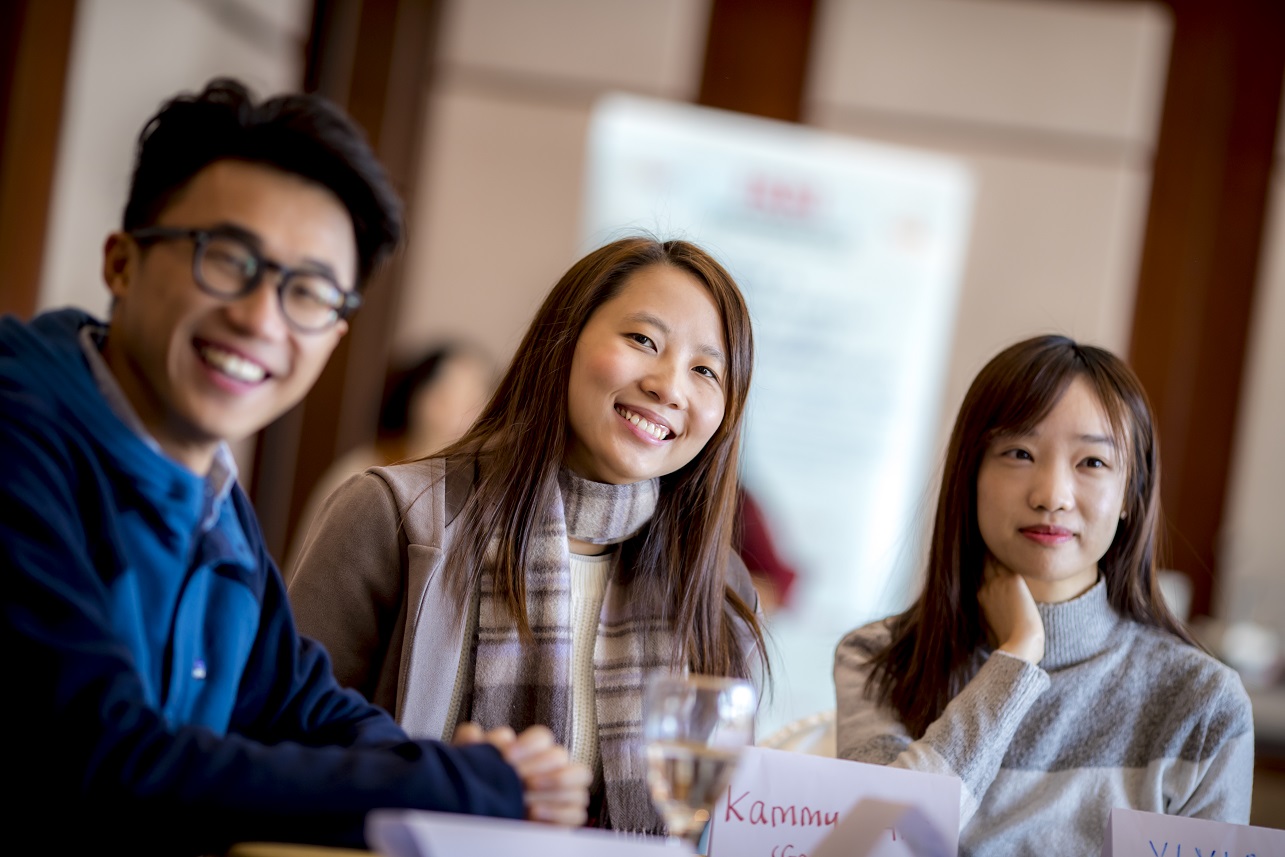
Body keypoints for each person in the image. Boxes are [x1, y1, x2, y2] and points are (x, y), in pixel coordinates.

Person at [0, 78, 588, 856]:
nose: (259, 318)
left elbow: (303, 710)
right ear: (121, 262)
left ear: (333, 336)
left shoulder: (211, 496)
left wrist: (469, 774)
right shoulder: (19, 439)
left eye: (307, 292)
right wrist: (461, 785)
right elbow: (109, 760)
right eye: (226, 259)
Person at [289, 236, 770, 835]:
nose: (669, 387)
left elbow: (724, 825)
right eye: (643, 340)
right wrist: (448, 782)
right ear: (563, 339)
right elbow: (285, 746)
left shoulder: (719, 589)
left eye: (705, 371)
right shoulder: (392, 514)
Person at [833, 335, 1254, 856]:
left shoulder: (1203, 703)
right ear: (970, 476)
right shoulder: (879, 659)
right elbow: (871, 847)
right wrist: (1016, 660)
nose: (1051, 496)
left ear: (1132, 493)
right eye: (1019, 453)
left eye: (1092, 462)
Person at [283, 343, 495, 579]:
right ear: (419, 399)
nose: (466, 415)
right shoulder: (361, 471)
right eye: (449, 397)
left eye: (477, 400)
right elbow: (306, 571)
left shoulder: (478, 496)